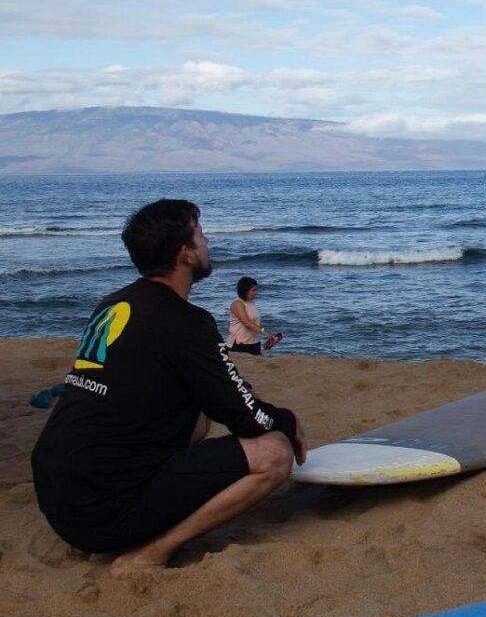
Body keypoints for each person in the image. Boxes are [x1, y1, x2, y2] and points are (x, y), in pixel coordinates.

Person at [31, 199, 306, 575]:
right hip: (102, 512)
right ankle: (151, 554)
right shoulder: (185, 322)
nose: (207, 241)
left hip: (58, 495)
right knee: (274, 451)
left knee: (197, 418)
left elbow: (215, 394)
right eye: (201, 235)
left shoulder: (113, 305)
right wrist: (287, 421)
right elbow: (246, 417)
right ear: (185, 255)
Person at [227, 276, 282, 355]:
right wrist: (265, 333)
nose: (256, 292)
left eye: (256, 290)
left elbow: (255, 324)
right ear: (245, 291)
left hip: (254, 343)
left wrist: (265, 332)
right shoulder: (237, 303)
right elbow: (247, 322)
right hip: (239, 344)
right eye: (253, 290)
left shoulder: (251, 302)